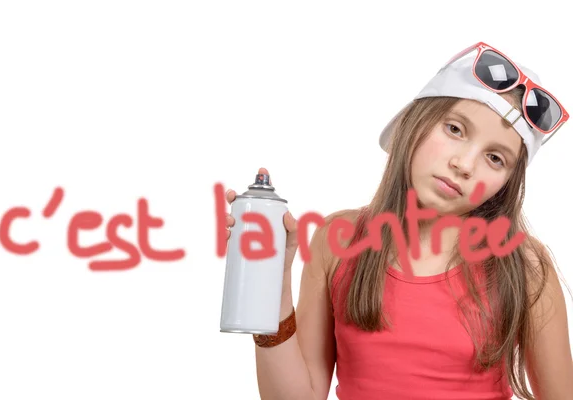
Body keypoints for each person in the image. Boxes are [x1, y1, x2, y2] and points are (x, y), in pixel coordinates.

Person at [223, 42, 573, 399]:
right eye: (454, 129)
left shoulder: (524, 266)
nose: (465, 165)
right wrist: (272, 286)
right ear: (413, 122)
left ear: (506, 184)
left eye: (495, 158)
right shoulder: (338, 241)